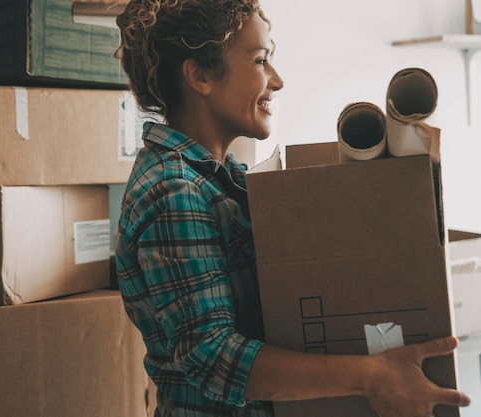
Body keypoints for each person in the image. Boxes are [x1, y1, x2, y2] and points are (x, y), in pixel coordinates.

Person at [113, 0, 472, 416]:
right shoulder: (172, 191)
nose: (278, 80)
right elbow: (212, 355)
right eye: (261, 60)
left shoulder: (223, 178)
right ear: (200, 75)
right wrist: (372, 376)